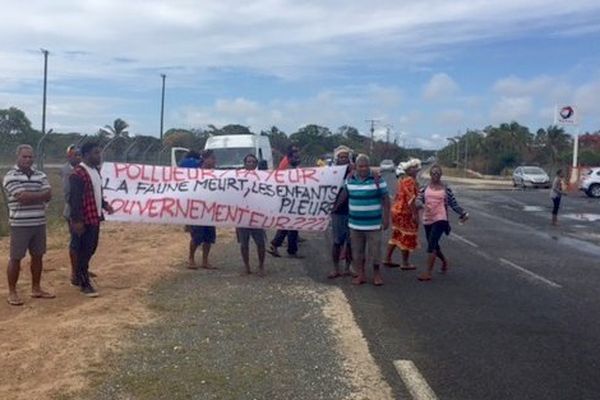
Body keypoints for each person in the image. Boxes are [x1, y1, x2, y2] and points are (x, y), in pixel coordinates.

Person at [2, 145, 54, 305]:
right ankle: (12, 292)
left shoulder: (40, 174)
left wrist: (31, 196)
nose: (28, 159)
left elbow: (49, 194)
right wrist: (40, 195)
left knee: (38, 256)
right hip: (20, 224)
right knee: (16, 258)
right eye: (24, 157)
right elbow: (22, 197)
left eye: (30, 157)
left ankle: (36, 288)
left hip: (39, 222)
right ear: (17, 157)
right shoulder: (10, 176)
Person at [336, 154, 390, 286]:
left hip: (373, 224)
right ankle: (361, 275)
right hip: (355, 225)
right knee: (357, 252)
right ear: (356, 166)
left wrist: (386, 218)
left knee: (375, 251)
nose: (363, 168)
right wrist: (332, 208)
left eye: (366, 165)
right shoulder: (350, 179)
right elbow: (344, 195)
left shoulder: (378, 179)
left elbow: (386, 200)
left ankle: (377, 275)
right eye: (360, 166)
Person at [69, 141, 114, 297]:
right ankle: (83, 282)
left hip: (94, 217)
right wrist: (77, 221)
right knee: (83, 250)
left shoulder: (95, 171)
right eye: (96, 153)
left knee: (91, 248)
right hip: (83, 219)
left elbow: (96, 193)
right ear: (86, 155)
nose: (99, 155)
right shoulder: (78, 174)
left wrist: (105, 205)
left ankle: (82, 274)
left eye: (99, 152)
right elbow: (74, 200)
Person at [416, 165, 468, 282]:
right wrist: (421, 204)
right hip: (428, 218)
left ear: (441, 175)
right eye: (433, 173)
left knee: (432, 244)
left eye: (438, 173)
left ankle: (428, 272)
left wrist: (462, 212)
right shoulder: (424, 187)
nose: (435, 175)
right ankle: (444, 261)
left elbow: (453, 204)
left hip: (440, 218)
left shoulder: (445, 189)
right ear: (430, 174)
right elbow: (418, 200)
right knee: (433, 244)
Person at [60, 144, 93, 285]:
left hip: (85, 210)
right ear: (69, 157)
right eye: (75, 155)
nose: (78, 157)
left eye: (80, 155)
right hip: (74, 211)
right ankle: (75, 272)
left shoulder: (85, 169)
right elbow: (69, 194)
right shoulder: (68, 171)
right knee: (76, 242)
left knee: (85, 242)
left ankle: (81, 268)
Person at [384, 159, 421, 270]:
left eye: (416, 168)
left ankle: (387, 258)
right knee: (406, 235)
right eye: (413, 168)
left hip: (397, 210)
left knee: (396, 234)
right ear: (408, 170)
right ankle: (405, 263)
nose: (416, 170)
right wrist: (415, 214)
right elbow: (411, 199)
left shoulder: (402, 179)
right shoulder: (410, 181)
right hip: (405, 211)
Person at [268, 150, 303, 258]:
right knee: (292, 226)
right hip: (288, 200)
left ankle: (275, 244)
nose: (298, 159)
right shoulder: (287, 168)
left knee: (287, 224)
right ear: (290, 158)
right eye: (296, 157)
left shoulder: (292, 167)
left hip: (291, 199)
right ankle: (291, 250)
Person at [236, 154, 267, 276]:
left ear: (256, 164)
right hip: (242, 215)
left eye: (253, 162)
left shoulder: (262, 177)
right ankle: (246, 266)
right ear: (244, 163)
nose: (250, 164)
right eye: (248, 161)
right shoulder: (237, 177)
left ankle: (261, 266)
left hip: (257, 215)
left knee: (260, 243)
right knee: (244, 244)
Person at [188, 149, 218, 269]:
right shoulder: (195, 173)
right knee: (196, 236)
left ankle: (205, 261)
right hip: (197, 209)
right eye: (212, 158)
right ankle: (191, 258)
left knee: (209, 237)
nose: (215, 161)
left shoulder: (216, 174)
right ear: (205, 159)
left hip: (210, 209)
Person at [328, 145, 354, 279]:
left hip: (353, 210)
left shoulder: (354, 172)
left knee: (351, 242)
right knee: (337, 241)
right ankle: (335, 267)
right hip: (337, 211)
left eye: (346, 157)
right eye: (341, 157)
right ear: (336, 159)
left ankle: (348, 267)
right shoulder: (331, 172)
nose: (343, 159)